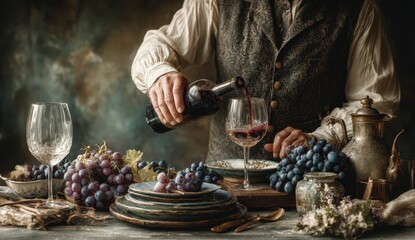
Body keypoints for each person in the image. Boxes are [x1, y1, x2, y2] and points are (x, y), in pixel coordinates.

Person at [131, 0, 400, 163]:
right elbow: (164, 42)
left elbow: (377, 103)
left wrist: (320, 138)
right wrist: (159, 73)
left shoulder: (359, 8)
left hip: (311, 189)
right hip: (226, 187)